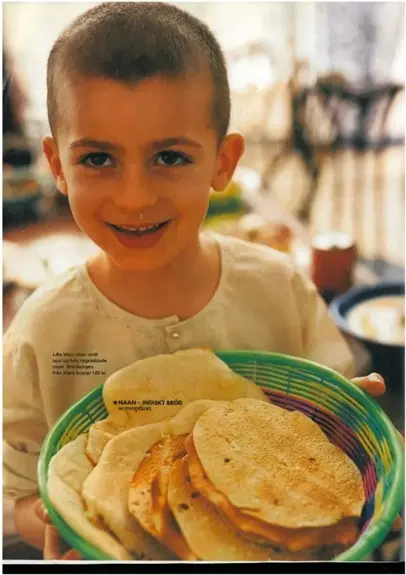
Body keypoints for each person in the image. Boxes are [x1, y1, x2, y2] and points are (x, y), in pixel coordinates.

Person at [2, 2, 397, 562]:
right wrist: (55, 512)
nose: (135, 196)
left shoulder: (278, 291)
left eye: (169, 156)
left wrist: (357, 436)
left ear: (223, 161)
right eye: (97, 158)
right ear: (57, 166)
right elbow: (11, 494)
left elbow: (330, 420)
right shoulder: (39, 338)